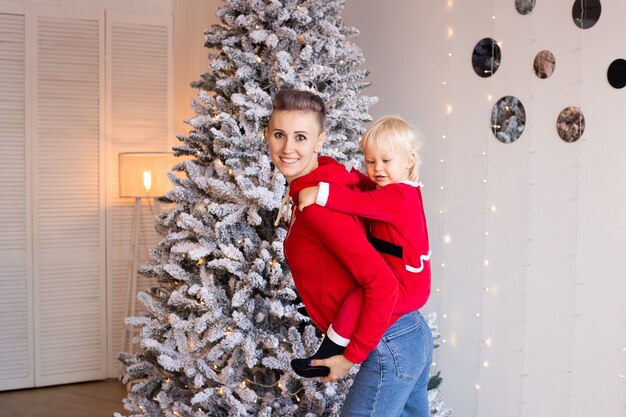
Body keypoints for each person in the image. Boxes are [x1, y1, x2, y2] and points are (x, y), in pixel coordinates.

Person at [266, 89, 433, 417]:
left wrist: (349, 357)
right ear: (267, 136)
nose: (288, 148)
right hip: (409, 333)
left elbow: (381, 284)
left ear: (319, 141)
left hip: (390, 341)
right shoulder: (330, 179)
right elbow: (355, 180)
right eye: (279, 135)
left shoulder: (319, 204)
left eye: (300, 137)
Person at [290, 115, 432, 381]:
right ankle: (331, 349)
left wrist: (321, 192)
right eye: (370, 161)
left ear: (409, 160)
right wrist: (345, 173)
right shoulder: (390, 186)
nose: (377, 168)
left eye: (386, 161)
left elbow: (362, 204)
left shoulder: (399, 196)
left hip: (409, 285)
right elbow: (363, 187)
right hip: (403, 277)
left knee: (358, 300)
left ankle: (332, 354)